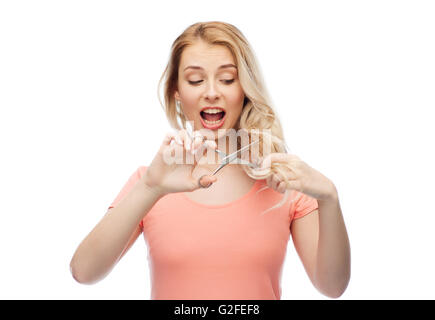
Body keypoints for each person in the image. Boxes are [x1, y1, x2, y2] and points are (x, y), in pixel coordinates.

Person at [70, 21, 351, 299]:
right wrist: (150, 189)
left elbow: (333, 286)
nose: (212, 92)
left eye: (228, 79)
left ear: (245, 89)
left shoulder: (283, 181)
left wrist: (329, 198)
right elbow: (84, 272)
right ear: (176, 92)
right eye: (195, 80)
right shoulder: (152, 181)